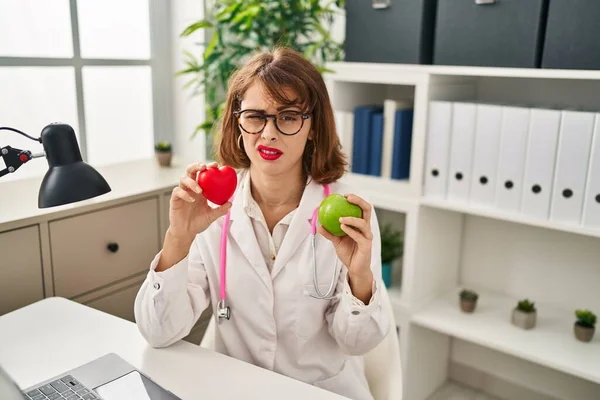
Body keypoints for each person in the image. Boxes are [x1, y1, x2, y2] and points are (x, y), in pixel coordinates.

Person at [134, 47, 391, 400]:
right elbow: (157, 331)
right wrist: (179, 238)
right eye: (255, 116)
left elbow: (357, 342)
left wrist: (360, 278)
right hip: (235, 390)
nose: (268, 133)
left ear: (313, 127)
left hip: (318, 392)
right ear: (238, 122)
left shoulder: (347, 211)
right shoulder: (211, 206)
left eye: (288, 117)